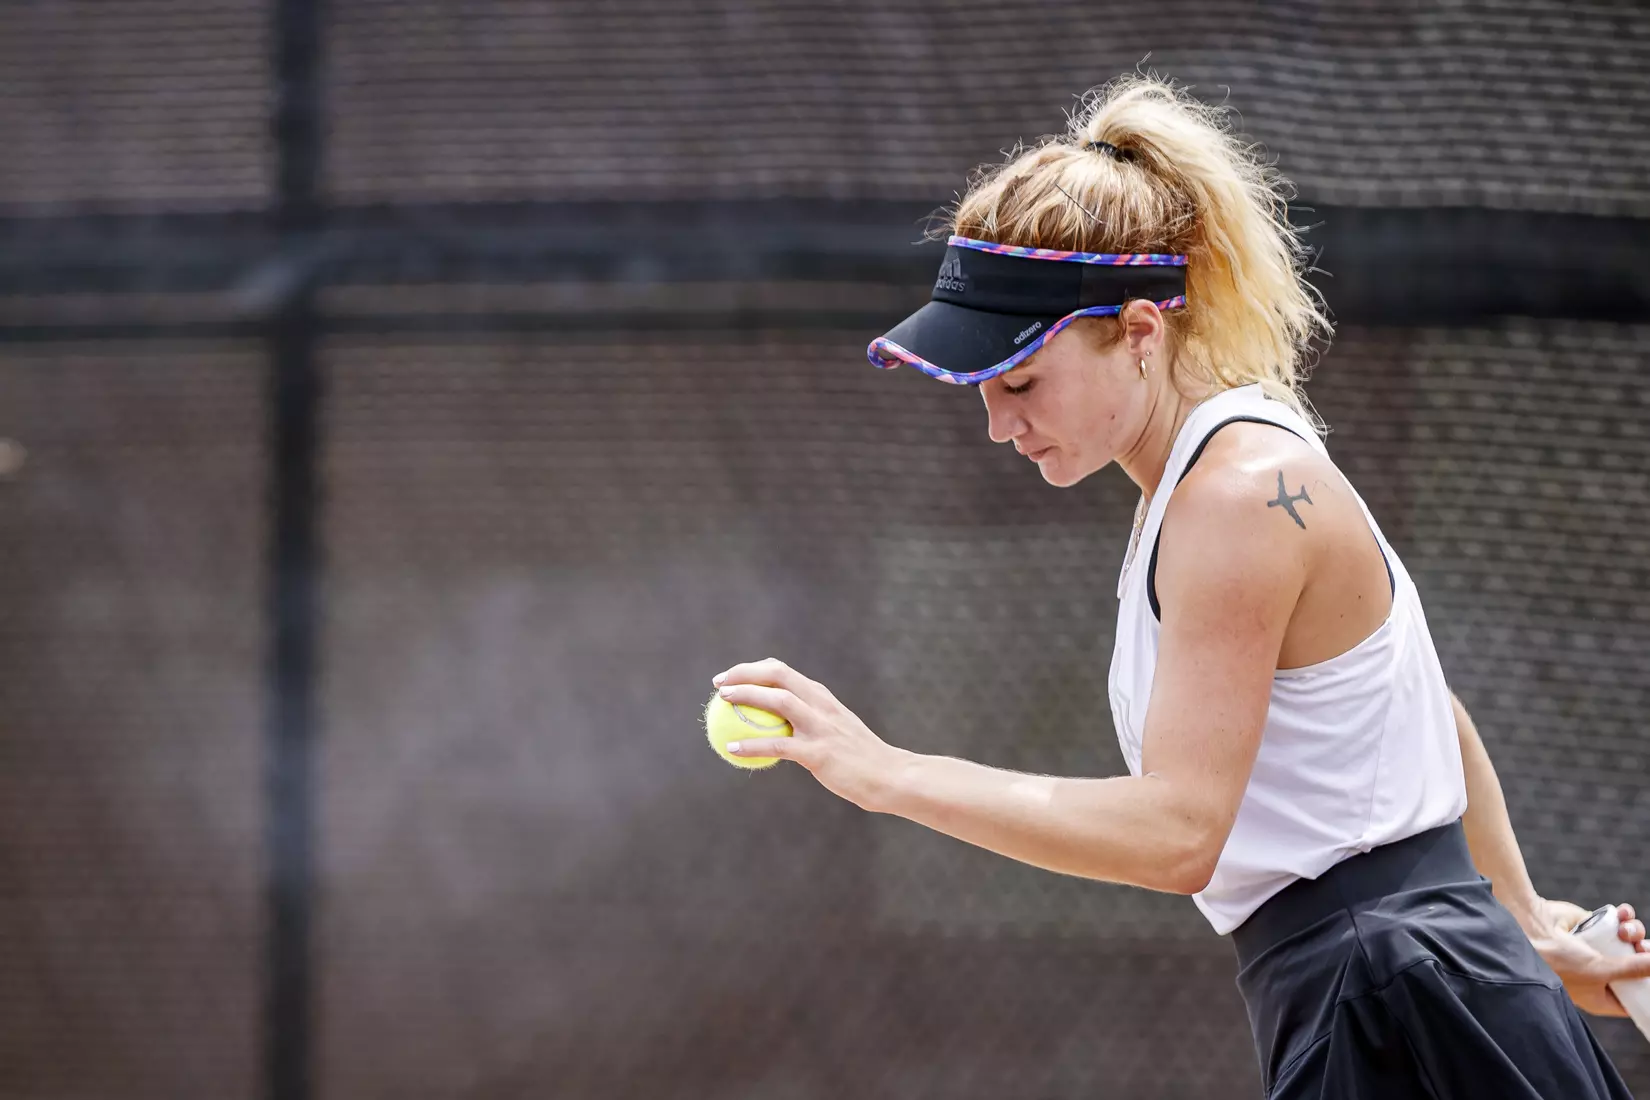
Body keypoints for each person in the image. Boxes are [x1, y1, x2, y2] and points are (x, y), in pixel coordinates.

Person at [711, 75, 1650, 1097]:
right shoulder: (1219, 477)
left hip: (1395, 995)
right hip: (1395, 982)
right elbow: (1420, 702)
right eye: (984, 389)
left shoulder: (1236, 494)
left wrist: (884, 772)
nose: (999, 423)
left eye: (1020, 379)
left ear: (1140, 333)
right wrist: (1522, 916)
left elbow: (1178, 834)